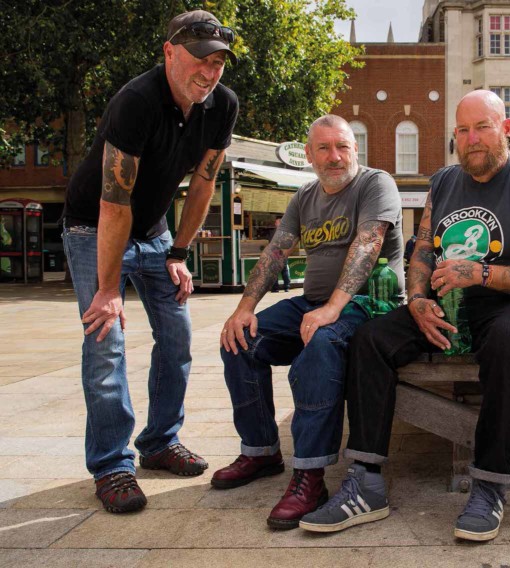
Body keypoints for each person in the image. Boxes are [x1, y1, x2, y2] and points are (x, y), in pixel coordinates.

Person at [300, 90, 510, 541]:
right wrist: (418, 299)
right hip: (447, 302)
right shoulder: (443, 182)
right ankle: (365, 481)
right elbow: (423, 247)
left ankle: (489, 485)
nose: (472, 138)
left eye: (482, 127)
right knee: (369, 340)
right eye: (462, 130)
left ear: (505, 130)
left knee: (506, 343)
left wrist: (481, 272)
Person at [60, 10, 239, 513]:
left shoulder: (221, 105)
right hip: (94, 225)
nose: (209, 73)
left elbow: (203, 183)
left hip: (156, 231)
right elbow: (114, 202)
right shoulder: (135, 102)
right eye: (201, 60)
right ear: (169, 52)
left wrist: (179, 253)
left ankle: (159, 442)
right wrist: (108, 287)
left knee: (178, 335)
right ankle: (113, 466)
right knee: (106, 340)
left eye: (219, 62)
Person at [214, 115, 403, 530]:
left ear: (355, 149)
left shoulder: (376, 183)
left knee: (319, 344)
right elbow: (275, 253)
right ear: (310, 155)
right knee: (240, 339)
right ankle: (261, 450)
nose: (335, 157)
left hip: (369, 303)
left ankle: (310, 476)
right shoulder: (304, 197)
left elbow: (368, 245)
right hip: (314, 302)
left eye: (343, 147)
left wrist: (334, 307)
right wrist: (244, 308)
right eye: (324, 148)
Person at [270, 216, 291, 292]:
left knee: (276, 271)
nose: (276, 224)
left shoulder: (273, 232)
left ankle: (275, 288)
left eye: (276, 222)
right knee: (284, 270)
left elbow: (270, 243)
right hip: (283, 253)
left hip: (276, 253)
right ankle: (287, 287)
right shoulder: (286, 232)